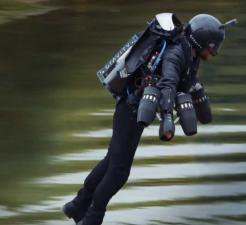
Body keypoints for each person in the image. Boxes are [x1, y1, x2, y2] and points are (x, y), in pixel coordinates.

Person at [62, 13, 234, 225]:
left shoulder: (190, 53)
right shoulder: (176, 53)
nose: (214, 52)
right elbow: (168, 84)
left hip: (133, 110)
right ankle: (92, 218)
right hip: (130, 110)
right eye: (212, 46)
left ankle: (78, 205)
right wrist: (168, 117)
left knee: (111, 162)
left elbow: (183, 80)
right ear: (200, 41)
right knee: (118, 172)